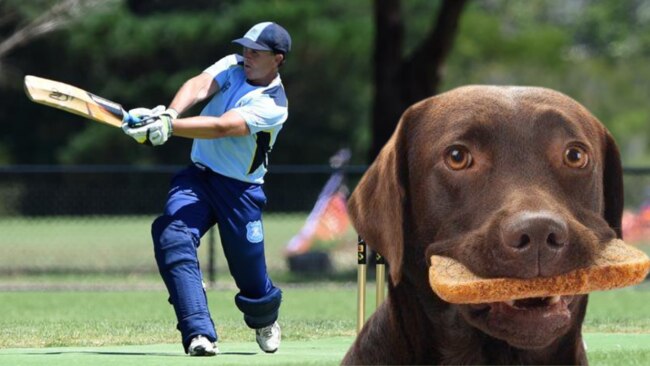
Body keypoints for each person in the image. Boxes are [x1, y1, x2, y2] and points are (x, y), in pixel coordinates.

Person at [121, 22, 291, 357]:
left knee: (252, 280)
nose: (248, 55)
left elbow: (223, 126)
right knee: (172, 234)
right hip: (198, 178)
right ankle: (198, 333)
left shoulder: (274, 104)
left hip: (240, 193)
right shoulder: (232, 65)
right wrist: (169, 113)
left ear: (278, 58)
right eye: (246, 48)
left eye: (257, 52)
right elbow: (199, 85)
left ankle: (265, 318)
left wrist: (169, 128)